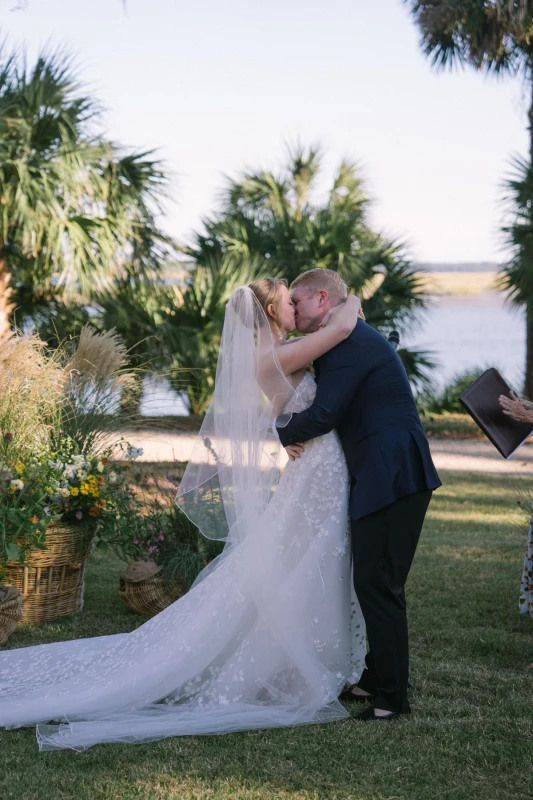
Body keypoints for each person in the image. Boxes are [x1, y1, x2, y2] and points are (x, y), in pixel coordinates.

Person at [0, 277, 367, 751]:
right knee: (307, 557)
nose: (296, 306)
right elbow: (340, 330)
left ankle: (308, 653)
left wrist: (282, 428)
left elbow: (277, 407)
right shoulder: (277, 353)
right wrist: (352, 299)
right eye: (288, 300)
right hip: (316, 470)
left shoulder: (277, 351)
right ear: (271, 312)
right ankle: (301, 660)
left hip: (316, 466)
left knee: (305, 557)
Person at [276, 268, 441, 721]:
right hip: (383, 473)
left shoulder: (347, 343)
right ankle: (375, 677)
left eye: (297, 300)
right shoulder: (342, 336)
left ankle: (391, 699)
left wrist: (276, 430)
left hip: (391, 475)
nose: (293, 309)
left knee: (378, 583)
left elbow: (323, 415)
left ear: (322, 298)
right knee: (372, 580)